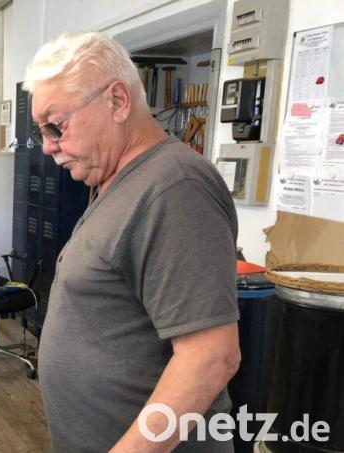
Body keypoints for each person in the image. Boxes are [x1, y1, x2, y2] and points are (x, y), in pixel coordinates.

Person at [23, 32, 241, 451]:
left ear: (118, 101)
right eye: (42, 131)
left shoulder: (175, 187)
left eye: (56, 126)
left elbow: (211, 358)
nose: (48, 147)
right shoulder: (114, 180)